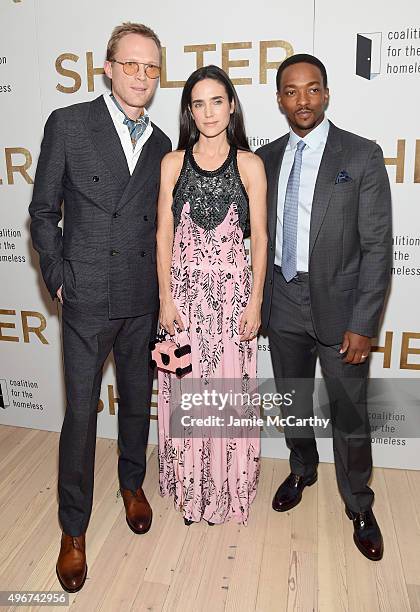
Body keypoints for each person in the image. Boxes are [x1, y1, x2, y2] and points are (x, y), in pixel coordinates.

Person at [29, 22, 171, 592]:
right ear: (107, 68)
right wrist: (59, 277)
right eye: (131, 65)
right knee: (81, 417)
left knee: (138, 404)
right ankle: (73, 529)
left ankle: (132, 484)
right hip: (86, 297)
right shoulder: (69, 124)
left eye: (152, 68)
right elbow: (42, 211)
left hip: (142, 299)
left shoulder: (163, 143)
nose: (141, 76)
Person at [256, 54, 391, 561]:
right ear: (279, 99)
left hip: (340, 309)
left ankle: (359, 502)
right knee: (291, 399)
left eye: (312, 89)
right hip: (283, 299)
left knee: (349, 413)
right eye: (291, 91)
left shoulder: (361, 155)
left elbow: (378, 246)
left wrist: (363, 324)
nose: (303, 100)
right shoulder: (265, 158)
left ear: (327, 94)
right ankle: (302, 468)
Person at [156, 65, 267, 525]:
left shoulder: (250, 164)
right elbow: (163, 234)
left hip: (233, 298)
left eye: (216, 101)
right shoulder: (171, 162)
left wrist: (256, 300)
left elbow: (259, 237)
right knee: (184, 391)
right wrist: (165, 297)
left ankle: (225, 490)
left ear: (232, 105)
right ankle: (187, 488)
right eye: (198, 103)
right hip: (183, 298)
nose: (208, 112)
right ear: (189, 110)